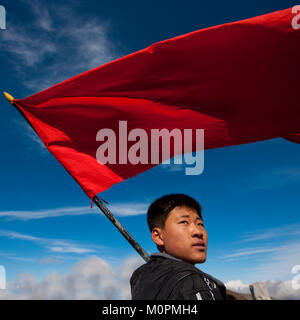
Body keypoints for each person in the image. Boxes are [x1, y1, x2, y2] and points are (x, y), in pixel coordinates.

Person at [130, 193, 227, 300]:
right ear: (158, 236)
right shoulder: (193, 282)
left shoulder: (140, 275)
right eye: (184, 222)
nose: (198, 232)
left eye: (200, 224)